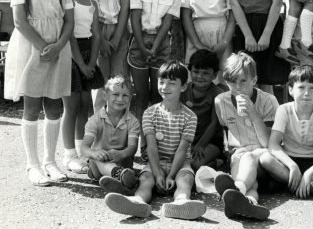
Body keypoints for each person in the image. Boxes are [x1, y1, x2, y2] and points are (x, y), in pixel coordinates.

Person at [4, 0, 74, 186]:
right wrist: (45, 47)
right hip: (33, 49)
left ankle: (50, 162)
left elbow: (69, 21)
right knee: (32, 106)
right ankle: (32, 164)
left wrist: (58, 46)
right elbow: (19, 22)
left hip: (58, 48)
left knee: (54, 105)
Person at [105, 61, 207, 220]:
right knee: (145, 179)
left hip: (180, 163)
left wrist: (171, 175)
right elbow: (151, 147)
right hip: (155, 161)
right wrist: (158, 172)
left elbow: (182, 149)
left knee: (185, 179)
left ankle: (181, 202)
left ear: (183, 87)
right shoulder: (149, 113)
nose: (165, 87)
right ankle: (138, 202)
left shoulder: (190, 117)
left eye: (172, 83)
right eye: (161, 82)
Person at [128, 0, 181, 156]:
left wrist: (156, 46)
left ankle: (158, 141)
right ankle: (142, 140)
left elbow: (168, 23)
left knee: (159, 94)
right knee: (141, 95)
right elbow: (134, 16)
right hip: (139, 40)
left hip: (162, 42)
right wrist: (142, 46)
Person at [260, 65, 313, 200]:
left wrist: (308, 174)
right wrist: (292, 165)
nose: (307, 93)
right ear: (291, 90)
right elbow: (273, 145)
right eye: (301, 87)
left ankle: (298, 183)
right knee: (265, 159)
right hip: (289, 160)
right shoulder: (284, 110)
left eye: (312, 88)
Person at [214, 52, 276, 220]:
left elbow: (268, 142)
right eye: (232, 81)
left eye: (243, 81)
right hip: (239, 154)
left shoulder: (268, 100)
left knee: (249, 158)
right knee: (247, 175)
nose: (238, 87)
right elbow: (224, 131)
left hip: (264, 154)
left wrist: (253, 113)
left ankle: (237, 190)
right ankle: (248, 202)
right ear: (226, 81)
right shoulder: (221, 101)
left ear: (254, 80)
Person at [61, 0, 105, 174]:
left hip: (88, 55)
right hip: (70, 54)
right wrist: (81, 63)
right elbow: (69, 35)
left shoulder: (92, 3)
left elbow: (96, 35)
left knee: (85, 106)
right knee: (71, 107)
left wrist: (92, 62)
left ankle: (82, 151)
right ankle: (69, 154)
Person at [89, 0, 133, 112]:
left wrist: (115, 38)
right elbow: (89, 7)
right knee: (100, 80)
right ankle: (100, 125)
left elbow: (125, 5)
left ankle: (122, 124)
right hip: (94, 28)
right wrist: (100, 39)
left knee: (120, 78)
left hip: (119, 27)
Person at [81, 76, 140, 195]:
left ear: (130, 99)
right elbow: (84, 147)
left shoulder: (133, 121)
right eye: (115, 94)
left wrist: (122, 153)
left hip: (123, 161)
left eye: (125, 95)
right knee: (96, 158)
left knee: (125, 163)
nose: (120, 99)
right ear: (105, 95)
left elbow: (132, 148)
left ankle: (120, 184)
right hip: (99, 162)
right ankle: (119, 175)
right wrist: (94, 153)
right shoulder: (95, 120)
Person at [182, 49, 227, 171]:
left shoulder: (217, 95)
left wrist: (201, 145)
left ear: (215, 74)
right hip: (187, 140)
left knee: (194, 164)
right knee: (176, 161)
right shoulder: (183, 91)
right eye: (196, 71)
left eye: (206, 73)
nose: (200, 77)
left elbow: (214, 123)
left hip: (210, 142)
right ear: (190, 70)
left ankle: (217, 161)